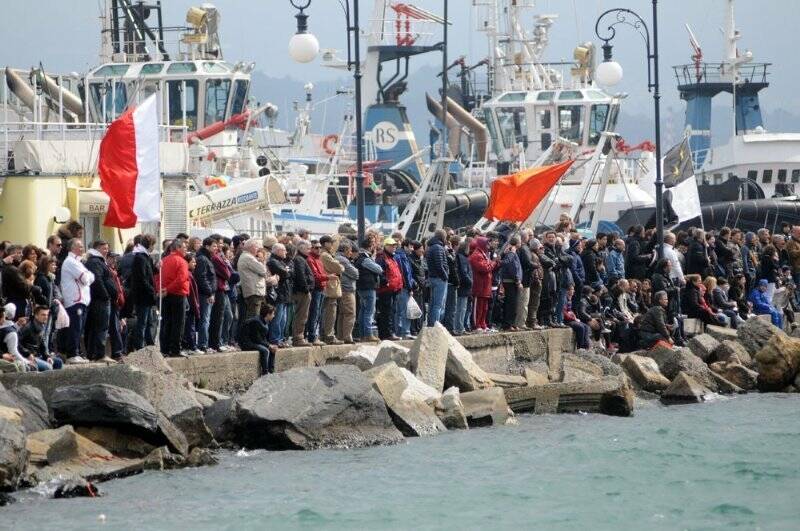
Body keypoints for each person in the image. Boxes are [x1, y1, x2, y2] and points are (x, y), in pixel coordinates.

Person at [60, 238, 94, 363]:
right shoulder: (70, 262)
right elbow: (85, 278)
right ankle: (72, 354)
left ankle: (77, 352)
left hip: (82, 301)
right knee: (75, 327)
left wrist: (89, 276)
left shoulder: (78, 262)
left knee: (79, 328)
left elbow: (90, 276)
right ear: (72, 248)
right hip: (75, 300)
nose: (82, 248)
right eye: (79, 246)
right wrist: (89, 276)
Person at [84, 240, 116, 362]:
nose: (106, 251)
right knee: (100, 327)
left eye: (107, 248)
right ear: (97, 249)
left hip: (101, 300)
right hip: (99, 301)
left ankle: (94, 353)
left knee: (98, 327)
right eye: (104, 248)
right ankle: (99, 354)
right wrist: (106, 295)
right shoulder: (95, 262)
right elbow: (97, 280)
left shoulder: (98, 261)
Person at [160, 239, 190, 357]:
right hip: (177, 294)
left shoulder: (164, 260)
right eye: (184, 247)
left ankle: (165, 349)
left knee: (167, 322)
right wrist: (168, 289)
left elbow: (159, 277)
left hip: (166, 295)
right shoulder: (181, 261)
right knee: (178, 323)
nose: (186, 250)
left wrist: (164, 289)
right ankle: (175, 349)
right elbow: (181, 279)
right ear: (177, 248)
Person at [129, 234, 156, 351]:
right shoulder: (140, 258)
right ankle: (139, 345)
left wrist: (157, 267)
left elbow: (151, 272)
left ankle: (150, 343)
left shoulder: (146, 257)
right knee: (142, 322)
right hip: (143, 295)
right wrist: (152, 290)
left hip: (147, 295)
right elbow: (142, 278)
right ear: (150, 245)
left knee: (149, 321)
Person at [355, 238, 382, 342]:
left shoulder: (360, 257)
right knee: (369, 311)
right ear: (370, 247)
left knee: (363, 311)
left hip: (362, 287)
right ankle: (368, 334)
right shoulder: (365, 259)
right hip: (368, 287)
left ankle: (363, 334)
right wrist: (373, 257)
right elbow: (379, 269)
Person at [376, 237, 403, 340]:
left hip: (394, 289)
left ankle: (388, 333)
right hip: (386, 290)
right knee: (386, 312)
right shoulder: (382, 258)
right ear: (386, 246)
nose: (394, 248)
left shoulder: (392, 257)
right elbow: (380, 272)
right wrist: (386, 282)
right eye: (391, 246)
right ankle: (387, 334)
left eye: (394, 246)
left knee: (391, 312)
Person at [239, 303, 278, 375]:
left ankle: (271, 371)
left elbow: (262, 339)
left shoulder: (265, 322)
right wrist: (269, 345)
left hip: (253, 341)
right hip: (246, 343)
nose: (274, 316)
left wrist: (271, 345)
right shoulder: (256, 322)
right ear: (268, 314)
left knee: (272, 349)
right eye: (272, 314)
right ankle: (265, 373)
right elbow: (257, 339)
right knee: (265, 350)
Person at [20, 305, 63, 369]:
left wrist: (47, 357)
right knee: (48, 367)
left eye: (47, 315)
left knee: (58, 362)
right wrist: (27, 354)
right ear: (36, 316)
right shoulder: (27, 328)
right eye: (43, 315)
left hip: (37, 355)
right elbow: (17, 343)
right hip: (28, 357)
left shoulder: (41, 325)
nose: (46, 317)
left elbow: (42, 344)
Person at [319, 235, 345, 345]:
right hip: (330, 287)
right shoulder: (325, 255)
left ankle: (328, 334)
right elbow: (339, 268)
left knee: (330, 312)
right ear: (325, 243)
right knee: (330, 312)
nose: (333, 244)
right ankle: (329, 335)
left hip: (331, 286)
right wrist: (340, 266)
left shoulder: (328, 254)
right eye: (331, 242)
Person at [267, 243, 292, 347]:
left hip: (284, 294)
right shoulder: (273, 261)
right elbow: (285, 273)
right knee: (277, 319)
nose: (286, 252)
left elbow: (290, 272)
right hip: (278, 294)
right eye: (284, 250)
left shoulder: (280, 261)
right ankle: (275, 339)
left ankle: (280, 339)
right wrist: (286, 271)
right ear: (277, 251)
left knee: (283, 320)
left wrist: (287, 271)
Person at [238, 239, 269, 320]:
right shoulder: (248, 257)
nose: (258, 250)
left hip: (255, 292)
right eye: (257, 248)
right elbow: (263, 270)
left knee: (257, 317)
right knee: (254, 318)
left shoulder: (248, 257)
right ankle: (252, 333)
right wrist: (262, 261)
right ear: (251, 247)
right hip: (254, 292)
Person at [291, 240, 315, 347]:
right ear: (301, 249)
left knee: (302, 315)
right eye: (308, 248)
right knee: (301, 315)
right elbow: (301, 275)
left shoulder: (301, 259)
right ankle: (298, 338)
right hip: (302, 292)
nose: (310, 251)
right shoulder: (299, 259)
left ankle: (299, 336)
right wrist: (306, 288)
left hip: (304, 291)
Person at [335, 240, 359, 344]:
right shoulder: (343, 260)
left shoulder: (339, 258)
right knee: (350, 313)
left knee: (342, 314)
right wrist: (356, 270)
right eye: (349, 251)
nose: (351, 253)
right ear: (345, 250)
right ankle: (347, 336)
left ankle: (341, 336)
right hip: (347, 289)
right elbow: (355, 273)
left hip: (343, 289)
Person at [425, 229, 449, 326]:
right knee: (438, 305)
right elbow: (439, 264)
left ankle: (431, 325)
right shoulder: (438, 247)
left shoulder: (431, 247)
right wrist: (445, 276)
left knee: (433, 304)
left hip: (433, 277)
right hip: (439, 279)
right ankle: (436, 325)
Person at [305, 240, 327, 345]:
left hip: (321, 288)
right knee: (314, 313)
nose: (318, 249)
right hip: (316, 289)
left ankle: (314, 335)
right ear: (311, 249)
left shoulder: (319, 259)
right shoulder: (310, 259)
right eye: (316, 248)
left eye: (319, 247)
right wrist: (328, 277)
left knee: (317, 313)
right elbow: (315, 276)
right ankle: (312, 336)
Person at [499, 236, 522, 331]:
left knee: (511, 304)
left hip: (509, 281)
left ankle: (510, 323)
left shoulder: (510, 253)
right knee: (511, 304)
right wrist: (517, 280)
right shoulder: (512, 254)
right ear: (517, 243)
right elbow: (513, 267)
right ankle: (508, 324)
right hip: (511, 282)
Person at [454, 238, 473, 335]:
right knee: (461, 308)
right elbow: (464, 272)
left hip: (463, 285)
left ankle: (459, 327)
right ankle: (459, 328)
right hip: (464, 286)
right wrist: (471, 282)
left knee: (461, 308)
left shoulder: (460, 257)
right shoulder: (462, 258)